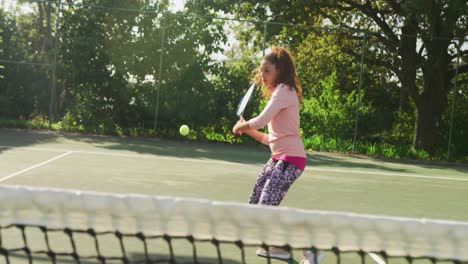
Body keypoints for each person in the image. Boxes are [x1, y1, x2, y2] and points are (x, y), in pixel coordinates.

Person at [232, 47, 311, 261]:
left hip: (292, 159)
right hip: (278, 158)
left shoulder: (285, 91)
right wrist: (248, 130)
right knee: (256, 201)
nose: (262, 76)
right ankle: (276, 247)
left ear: (280, 70)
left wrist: (242, 126)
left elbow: (261, 119)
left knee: (266, 204)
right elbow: (270, 139)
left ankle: (308, 246)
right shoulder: (279, 93)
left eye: (267, 70)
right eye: (261, 71)